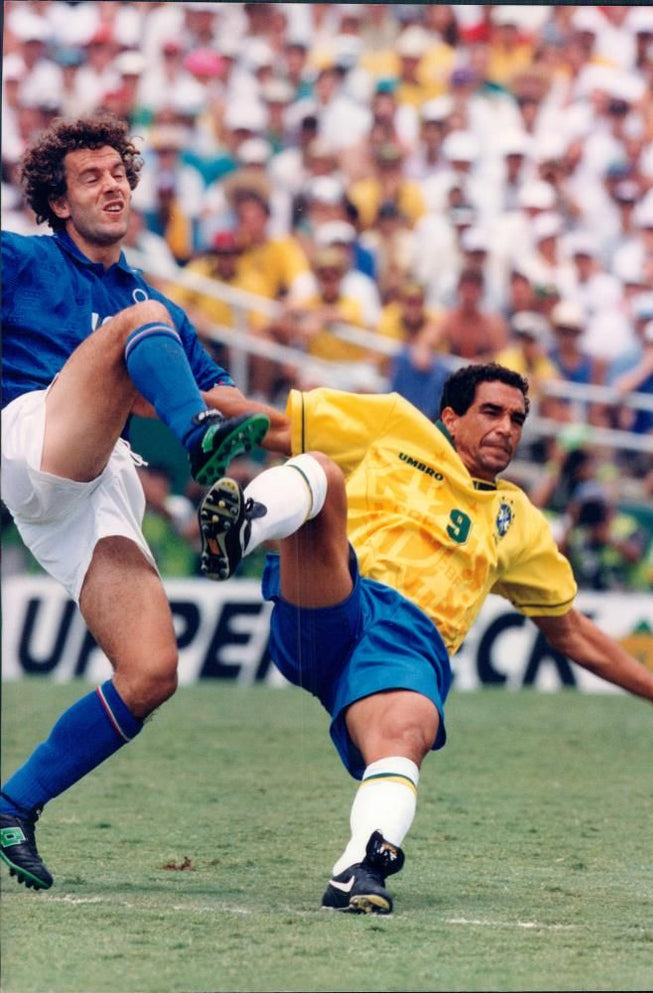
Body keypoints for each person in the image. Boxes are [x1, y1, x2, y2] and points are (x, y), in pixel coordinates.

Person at [195, 362, 653, 915]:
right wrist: (163, 392)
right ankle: (244, 526)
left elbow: (570, 629)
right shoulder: (393, 425)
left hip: (406, 648)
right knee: (321, 472)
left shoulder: (518, 521)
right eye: (492, 412)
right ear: (450, 418)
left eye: (518, 419)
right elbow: (269, 426)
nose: (506, 427)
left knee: (409, 731)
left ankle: (360, 868)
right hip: (334, 598)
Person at [0, 114, 271, 890]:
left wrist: (338, 428)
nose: (112, 184)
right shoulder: (20, 259)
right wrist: (207, 428)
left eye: (120, 172)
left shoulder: (154, 301)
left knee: (151, 670)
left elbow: (231, 394)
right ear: (56, 204)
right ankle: (201, 449)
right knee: (140, 327)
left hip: (98, 478)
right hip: (34, 436)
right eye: (91, 176)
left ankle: (14, 801)